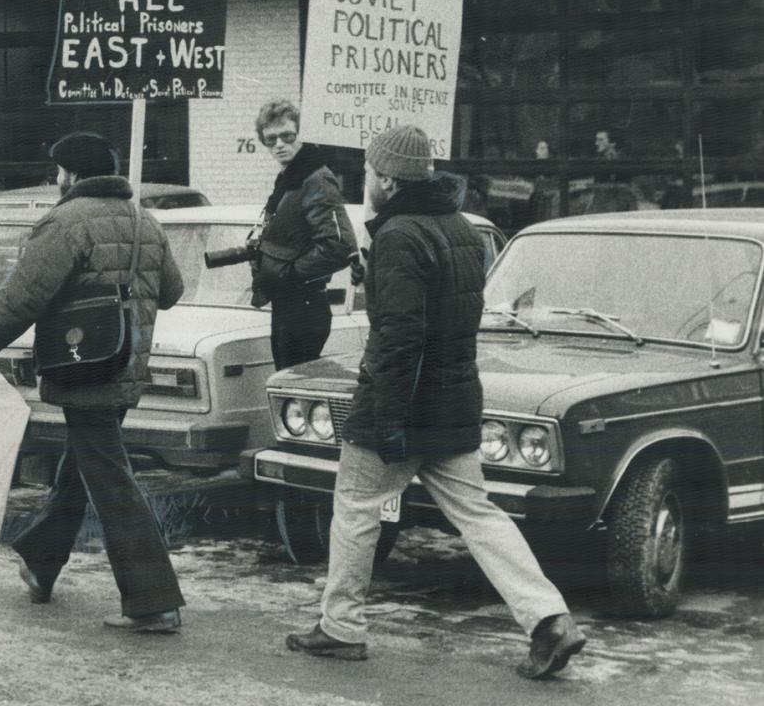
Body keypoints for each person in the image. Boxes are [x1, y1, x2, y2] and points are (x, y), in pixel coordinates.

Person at [286, 125, 586, 679]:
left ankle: (340, 627)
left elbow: (400, 338)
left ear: (390, 178)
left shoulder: (400, 235)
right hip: (454, 401)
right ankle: (550, 620)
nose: (367, 182)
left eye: (372, 173)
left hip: (400, 404)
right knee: (479, 514)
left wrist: (389, 420)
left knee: (354, 509)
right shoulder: (461, 229)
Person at [0, 131, 186, 633]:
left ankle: (154, 600)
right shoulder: (143, 220)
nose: (56, 179)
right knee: (83, 465)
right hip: (125, 364)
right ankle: (41, 562)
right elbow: (171, 291)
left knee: (109, 477)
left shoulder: (65, 221)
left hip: (83, 365)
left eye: (59, 172)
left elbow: (22, 297)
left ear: (73, 174)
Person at [249, 99, 357, 370]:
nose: (279, 145)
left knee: (293, 389)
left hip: (304, 305)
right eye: (271, 139)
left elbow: (339, 246)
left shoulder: (314, 177)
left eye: (287, 136)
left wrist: (290, 273)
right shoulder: (291, 177)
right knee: (286, 384)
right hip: (291, 303)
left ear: (302, 135)